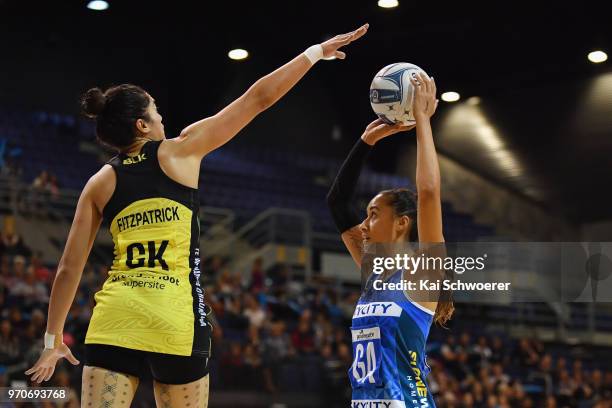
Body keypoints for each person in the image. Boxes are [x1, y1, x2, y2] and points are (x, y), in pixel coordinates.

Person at [25, 23, 368, 408]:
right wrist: (314, 53)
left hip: (115, 323)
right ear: (142, 125)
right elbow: (257, 99)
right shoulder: (179, 152)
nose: (161, 118)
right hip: (177, 324)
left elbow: (68, 269)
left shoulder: (99, 182)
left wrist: (53, 342)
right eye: (155, 112)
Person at [326, 72, 451, 408]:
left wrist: (423, 120)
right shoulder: (374, 270)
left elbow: (428, 192)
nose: (364, 225)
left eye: (374, 214)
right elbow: (337, 202)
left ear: (402, 223)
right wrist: (366, 140)